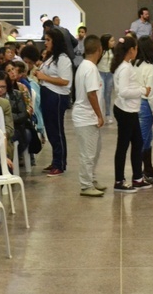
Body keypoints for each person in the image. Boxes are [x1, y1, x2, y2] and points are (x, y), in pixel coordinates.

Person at [111, 36, 151, 193]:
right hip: (125, 111)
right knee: (123, 145)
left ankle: (137, 177)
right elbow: (123, 92)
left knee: (138, 143)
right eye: (136, 49)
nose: (137, 51)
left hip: (130, 110)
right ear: (131, 50)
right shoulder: (125, 68)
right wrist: (142, 90)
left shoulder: (125, 65)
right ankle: (119, 181)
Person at [33, 28, 73, 177]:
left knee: (57, 130)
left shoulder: (63, 58)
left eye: (48, 40)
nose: (46, 43)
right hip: (48, 94)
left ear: (56, 41)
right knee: (50, 130)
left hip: (57, 97)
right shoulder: (51, 57)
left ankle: (60, 164)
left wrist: (44, 77)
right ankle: (56, 160)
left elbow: (65, 81)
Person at [72, 35, 106, 197]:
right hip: (86, 117)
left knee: (94, 151)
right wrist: (100, 115)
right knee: (88, 153)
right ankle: (86, 185)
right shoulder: (90, 68)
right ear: (99, 50)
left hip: (87, 116)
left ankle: (91, 179)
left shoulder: (84, 66)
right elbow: (91, 94)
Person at [135, 36, 153, 180]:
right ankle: (138, 174)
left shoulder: (133, 65)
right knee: (142, 140)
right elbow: (152, 92)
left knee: (147, 138)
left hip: (134, 103)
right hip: (145, 105)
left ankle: (148, 169)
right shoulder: (150, 67)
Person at [97, 34, 115, 122]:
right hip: (101, 73)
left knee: (108, 95)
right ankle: (99, 113)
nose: (113, 42)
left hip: (110, 74)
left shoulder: (113, 51)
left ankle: (108, 114)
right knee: (100, 93)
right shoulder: (100, 50)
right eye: (111, 41)